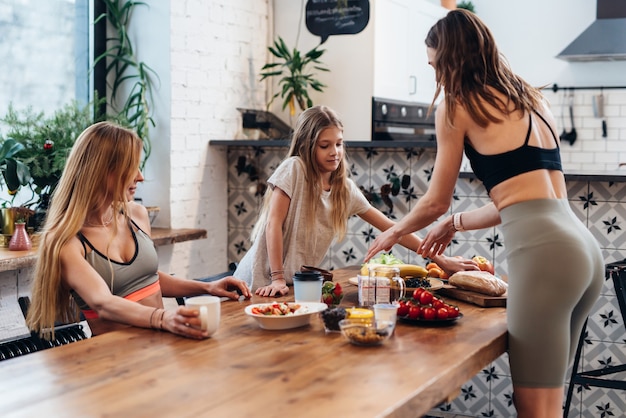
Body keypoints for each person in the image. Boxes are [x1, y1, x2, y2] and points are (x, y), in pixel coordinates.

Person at [364, 9, 605, 418]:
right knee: (550, 404)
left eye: (435, 64)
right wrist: (454, 223)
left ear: (450, 57)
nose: (435, 75)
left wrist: (392, 232)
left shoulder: (457, 106)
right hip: (583, 254)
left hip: (545, 259)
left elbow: (436, 199)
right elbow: (520, 199)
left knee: (536, 411)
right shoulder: (532, 98)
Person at [26, 121, 251, 340]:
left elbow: (148, 278)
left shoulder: (136, 215)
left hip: (160, 346)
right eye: (131, 167)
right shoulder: (66, 242)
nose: (140, 177)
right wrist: (163, 318)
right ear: (103, 171)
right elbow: (102, 303)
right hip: (116, 358)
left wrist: (208, 288)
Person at [234, 105, 478, 297]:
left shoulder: (344, 190)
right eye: (325, 145)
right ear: (308, 146)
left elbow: (394, 230)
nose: (335, 152)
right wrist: (276, 276)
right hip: (258, 281)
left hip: (291, 286)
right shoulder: (294, 169)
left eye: (339, 144)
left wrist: (441, 260)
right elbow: (273, 224)